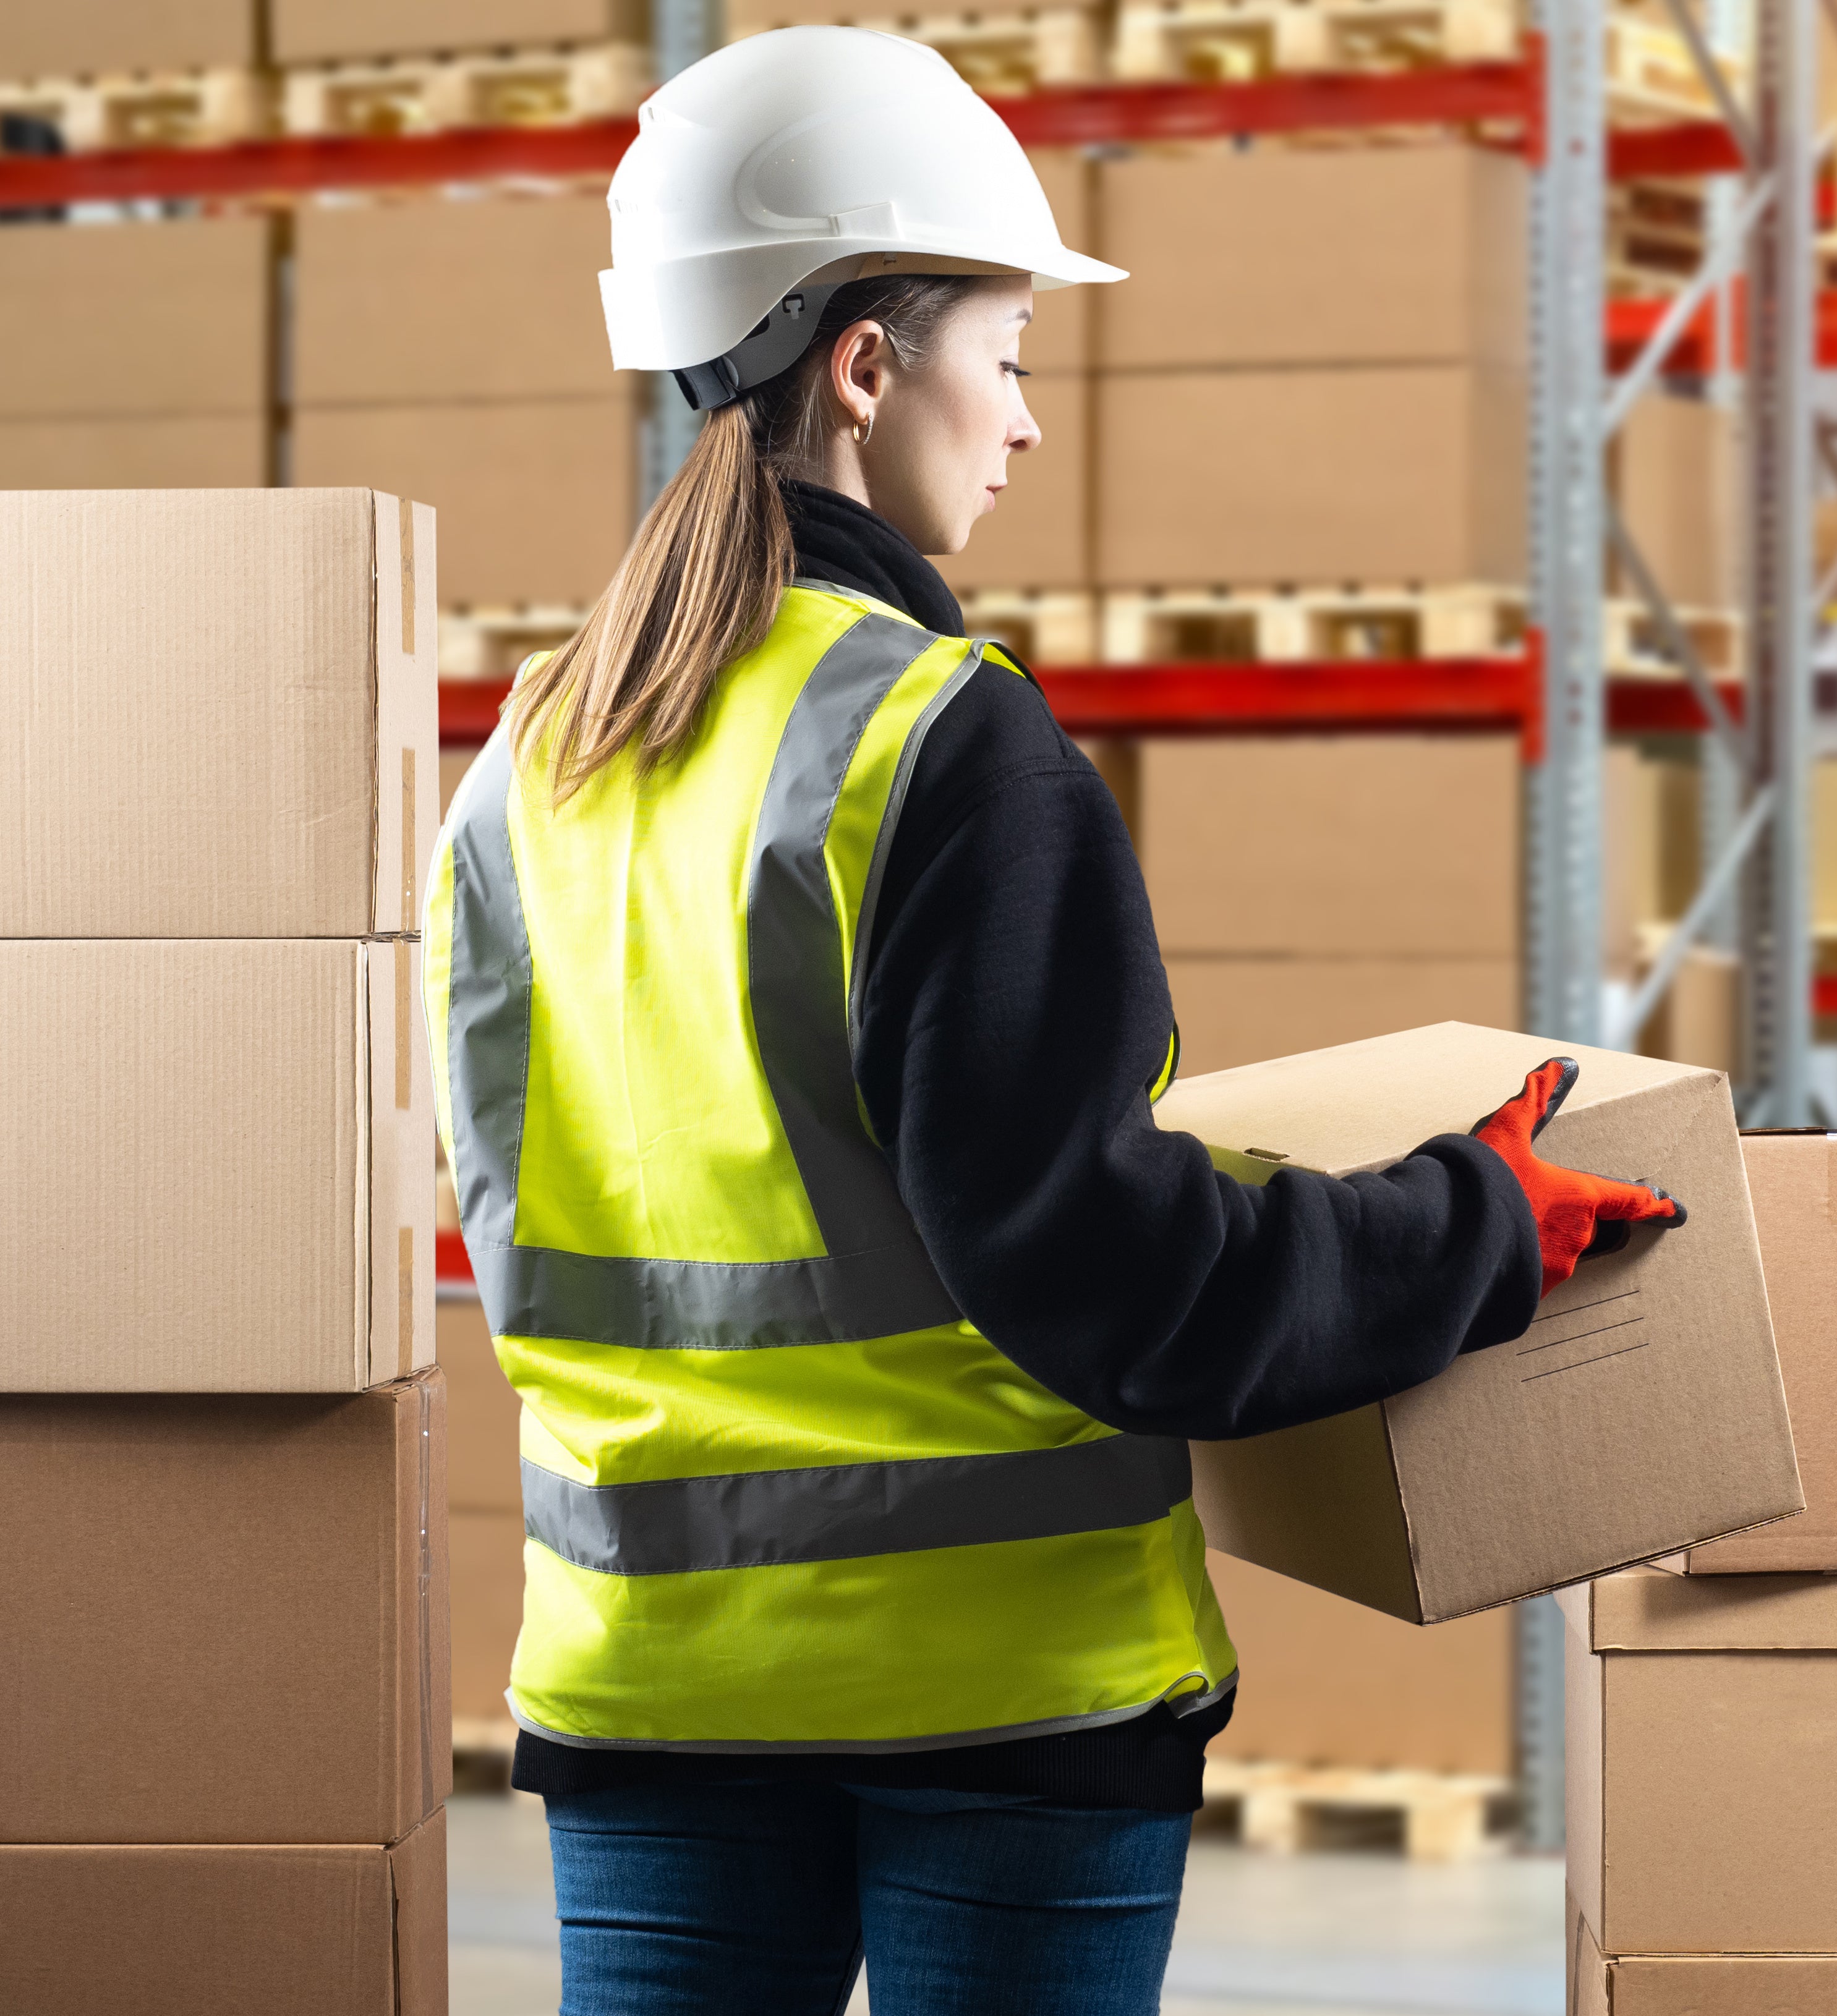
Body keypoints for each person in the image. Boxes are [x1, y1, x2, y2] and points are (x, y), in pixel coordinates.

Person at [424, 28, 1685, 2015]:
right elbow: (1114, 1282)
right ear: (863, 363)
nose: (1018, 425)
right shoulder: (940, 745)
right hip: (998, 1695)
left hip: (646, 1678)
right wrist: (1470, 1227)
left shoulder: (533, 766)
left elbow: (531, 1232)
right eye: (1002, 353)